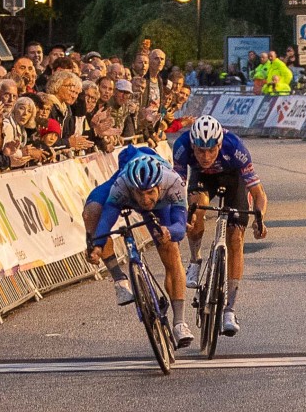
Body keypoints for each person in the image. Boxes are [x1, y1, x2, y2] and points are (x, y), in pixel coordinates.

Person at [174, 116, 268, 336]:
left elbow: (259, 194)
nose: (205, 157)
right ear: (192, 146)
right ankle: (195, 260)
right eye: (199, 151)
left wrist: (259, 219)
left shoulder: (235, 148)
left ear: (219, 144)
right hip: (202, 180)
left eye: (210, 151)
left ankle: (230, 309)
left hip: (232, 179)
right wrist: (182, 217)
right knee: (197, 209)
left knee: (236, 239)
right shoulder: (181, 147)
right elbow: (177, 189)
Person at [87, 153, 194, 349]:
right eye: (140, 194)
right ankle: (119, 280)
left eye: (149, 193)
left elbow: (180, 225)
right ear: (132, 189)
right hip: (124, 192)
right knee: (93, 213)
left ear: (159, 187)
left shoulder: (173, 182)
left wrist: (168, 231)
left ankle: (179, 323)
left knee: (170, 249)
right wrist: (97, 246)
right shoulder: (123, 184)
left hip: (162, 205)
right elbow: (107, 220)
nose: (145, 199)